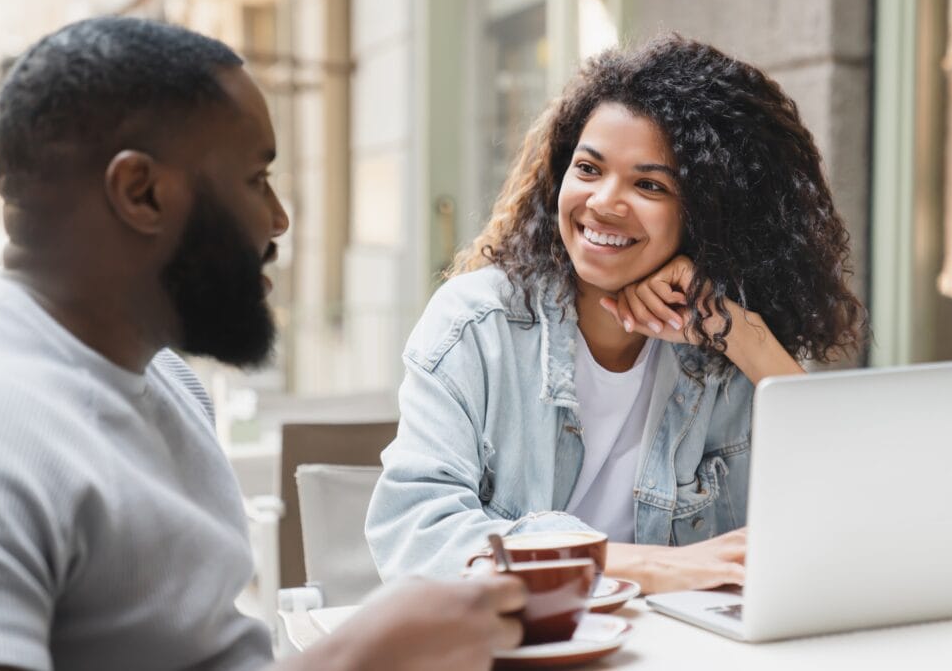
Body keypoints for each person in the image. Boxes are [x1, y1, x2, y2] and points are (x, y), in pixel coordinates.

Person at [0, 17, 525, 671]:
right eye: (254, 179)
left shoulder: (167, 380)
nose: (278, 220)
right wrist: (354, 656)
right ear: (140, 192)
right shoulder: (10, 438)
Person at [365, 33, 867, 594]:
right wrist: (645, 566)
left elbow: (848, 507)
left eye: (649, 184)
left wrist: (745, 338)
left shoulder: (725, 346)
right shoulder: (477, 326)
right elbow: (415, 536)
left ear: (710, 214)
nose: (603, 202)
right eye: (588, 169)